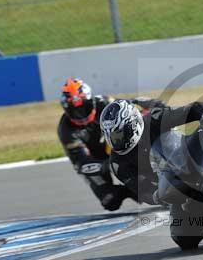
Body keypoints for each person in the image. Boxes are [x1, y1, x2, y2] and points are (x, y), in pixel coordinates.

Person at [57, 77, 165, 210]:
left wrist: (150, 109)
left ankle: (156, 174)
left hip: (117, 146)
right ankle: (130, 189)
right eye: (74, 110)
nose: (80, 114)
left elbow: (130, 110)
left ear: (91, 101)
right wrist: (106, 165)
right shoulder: (66, 130)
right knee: (109, 200)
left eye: (84, 107)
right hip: (97, 160)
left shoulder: (105, 103)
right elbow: (82, 163)